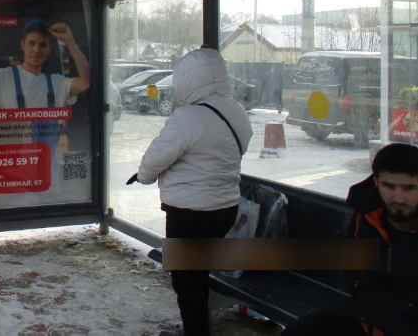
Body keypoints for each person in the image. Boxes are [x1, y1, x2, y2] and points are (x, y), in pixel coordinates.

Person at [127, 48, 252, 336]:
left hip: (189, 214)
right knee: (199, 274)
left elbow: (154, 160)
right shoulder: (236, 111)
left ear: (188, 80)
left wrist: (144, 177)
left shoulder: (187, 117)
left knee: (187, 282)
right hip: (225, 209)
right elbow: (239, 148)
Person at [281, 143, 418, 336]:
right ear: (377, 183)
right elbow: (355, 275)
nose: (398, 197)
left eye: (409, 188)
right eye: (389, 186)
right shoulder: (369, 217)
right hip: (367, 316)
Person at [0, 18, 91, 149]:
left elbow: (85, 82)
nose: (37, 50)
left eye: (43, 45)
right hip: (14, 165)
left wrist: (69, 41)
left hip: (49, 166)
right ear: (22, 45)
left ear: (49, 49)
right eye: (32, 43)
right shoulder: (4, 77)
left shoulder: (57, 83)